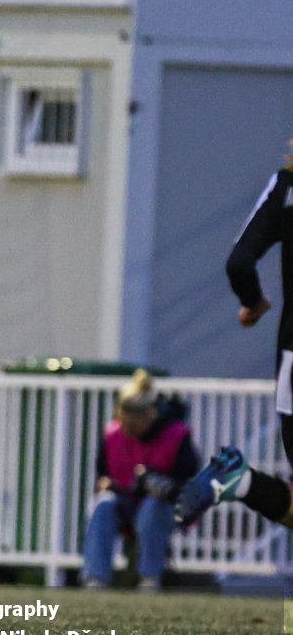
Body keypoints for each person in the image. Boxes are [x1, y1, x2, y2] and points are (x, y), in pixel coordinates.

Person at [177, 152, 293, 529]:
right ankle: (243, 482)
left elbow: (239, 263)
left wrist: (253, 303)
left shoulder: (286, 185)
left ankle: (243, 482)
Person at [81, 370, 199, 592]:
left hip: (165, 507)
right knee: (102, 504)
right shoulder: (113, 435)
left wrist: (158, 483)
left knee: (152, 508)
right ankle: (95, 579)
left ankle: (149, 578)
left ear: (150, 413)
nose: (130, 422)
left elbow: (189, 483)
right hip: (124, 501)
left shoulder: (177, 435)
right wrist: (105, 483)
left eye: (136, 415)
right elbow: (103, 473)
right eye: (125, 414)